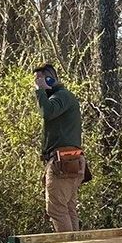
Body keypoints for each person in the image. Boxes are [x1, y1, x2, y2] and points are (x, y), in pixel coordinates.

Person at [34, 64, 85, 233]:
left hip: (62, 161)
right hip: (68, 160)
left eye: (39, 79)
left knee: (56, 209)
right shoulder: (62, 97)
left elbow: (47, 112)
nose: (36, 83)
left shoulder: (61, 96)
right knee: (68, 208)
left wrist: (41, 91)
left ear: (49, 79)